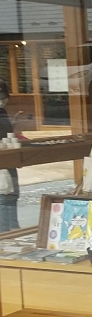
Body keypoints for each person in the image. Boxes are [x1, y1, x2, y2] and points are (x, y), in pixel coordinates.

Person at [0, 81, 20, 233]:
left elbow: (6, 131)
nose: (2, 101)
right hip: (3, 157)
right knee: (4, 194)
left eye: (3, 98)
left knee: (12, 192)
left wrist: (14, 123)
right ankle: (4, 229)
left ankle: (13, 226)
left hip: (9, 155)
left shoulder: (3, 111)